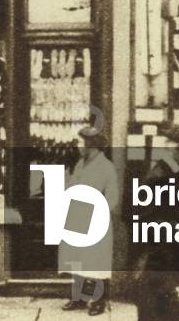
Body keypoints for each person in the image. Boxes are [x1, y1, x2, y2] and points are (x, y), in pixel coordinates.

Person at [132, 122, 179, 321]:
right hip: (160, 255)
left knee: (163, 307)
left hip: (166, 254)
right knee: (160, 307)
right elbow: (148, 218)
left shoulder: (174, 172)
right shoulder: (161, 177)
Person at [59, 125, 119, 316]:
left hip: (95, 220)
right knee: (78, 260)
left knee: (96, 263)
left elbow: (112, 198)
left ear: (91, 145)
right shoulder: (80, 164)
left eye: (81, 142)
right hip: (77, 217)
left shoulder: (106, 167)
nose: (78, 146)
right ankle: (80, 297)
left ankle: (99, 300)